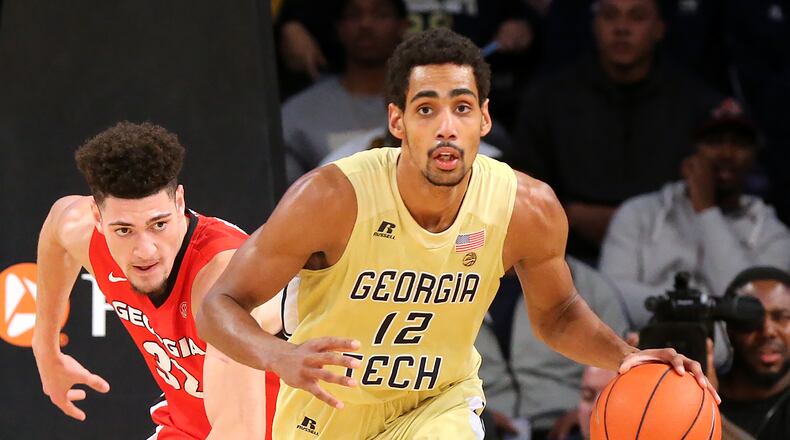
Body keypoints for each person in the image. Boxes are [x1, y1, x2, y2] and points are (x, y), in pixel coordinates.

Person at [197, 28, 714, 439]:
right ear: (397, 120)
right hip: (327, 416)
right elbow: (219, 304)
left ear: (485, 119)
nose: (446, 126)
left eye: (462, 107)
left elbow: (556, 314)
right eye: (427, 108)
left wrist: (626, 356)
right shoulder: (331, 198)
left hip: (436, 406)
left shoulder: (525, 208)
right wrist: (278, 355)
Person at [31, 122, 280, 439]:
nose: (145, 250)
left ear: (179, 203)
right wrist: (45, 348)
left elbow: (241, 431)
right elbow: (56, 227)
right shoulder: (85, 232)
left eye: (158, 224)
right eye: (124, 230)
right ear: (98, 218)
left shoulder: (222, 279)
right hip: (187, 427)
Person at [511, 0, 720, 260]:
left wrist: (635, 223)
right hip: (568, 253)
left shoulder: (695, 103)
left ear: (660, 28)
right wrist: (568, 214)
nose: (622, 28)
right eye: (610, 16)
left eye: (637, 17)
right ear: (594, 24)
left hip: (671, 253)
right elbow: (521, 187)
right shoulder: (548, 98)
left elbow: (714, 194)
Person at [600, 98, 790, 328]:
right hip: (646, 346)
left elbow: (753, 312)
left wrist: (706, 210)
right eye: (714, 141)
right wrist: (707, 309)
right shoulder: (639, 214)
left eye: (739, 143)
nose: (727, 153)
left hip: (732, 360)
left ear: (754, 155)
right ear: (692, 149)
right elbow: (609, 297)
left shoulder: (773, 234)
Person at [476, 257, 630, 440]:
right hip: (481, 424)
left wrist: (589, 410)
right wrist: (475, 413)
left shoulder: (590, 286)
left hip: (566, 425)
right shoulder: (452, 284)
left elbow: (622, 369)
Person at [281, 0, 409, 183]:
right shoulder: (297, 113)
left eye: (381, 14)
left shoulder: (425, 106)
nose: (366, 24)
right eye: (354, 15)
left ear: (403, 25)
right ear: (338, 28)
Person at [717, 266, 790, 439]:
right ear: (730, 327)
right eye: (751, 318)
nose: (767, 331)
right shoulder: (701, 384)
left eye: (782, 317)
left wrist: (707, 411)